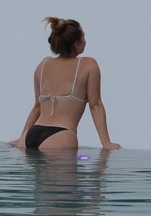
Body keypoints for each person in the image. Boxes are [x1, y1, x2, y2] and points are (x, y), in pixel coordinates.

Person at [10, 17, 121, 152]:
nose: (85, 40)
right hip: (61, 135)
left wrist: (21, 137)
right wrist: (106, 142)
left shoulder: (43, 65)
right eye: (84, 36)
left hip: (30, 135)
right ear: (76, 43)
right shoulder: (88, 65)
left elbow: (37, 106)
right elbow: (95, 105)